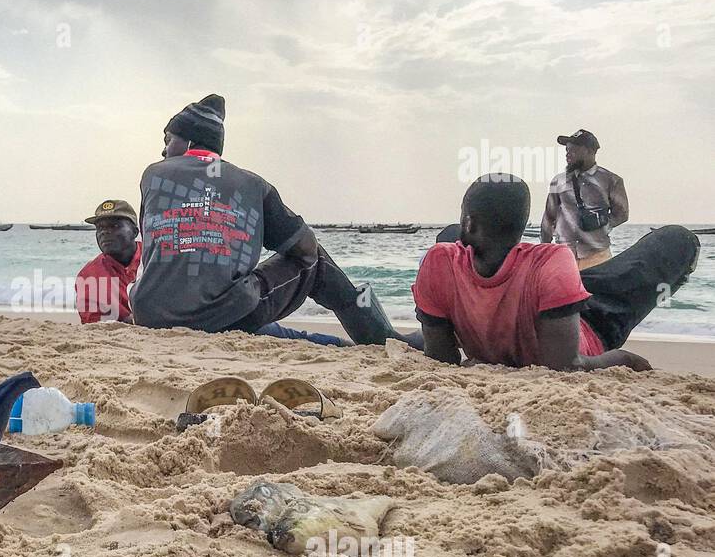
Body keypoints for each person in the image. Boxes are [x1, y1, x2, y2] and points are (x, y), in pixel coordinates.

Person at [129, 94, 417, 346]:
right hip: (220, 318)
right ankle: (381, 337)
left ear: (189, 140)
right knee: (315, 260)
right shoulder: (252, 185)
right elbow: (305, 248)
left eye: (168, 141)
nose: (164, 150)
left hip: (149, 315)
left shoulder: (151, 175)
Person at [414, 174, 699, 371]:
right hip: (595, 319)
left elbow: (441, 357)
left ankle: (520, 267)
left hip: (557, 294)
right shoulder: (554, 260)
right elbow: (566, 366)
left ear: (470, 223)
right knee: (677, 239)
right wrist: (621, 358)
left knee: (450, 236)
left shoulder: (438, 262)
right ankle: (524, 267)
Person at [540, 128, 628, 271]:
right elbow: (549, 217)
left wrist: (599, 226)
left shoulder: (611, 180)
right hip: (564, 256)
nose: (568, 154)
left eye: (573, 150)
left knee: (597, 293)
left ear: (589, 151)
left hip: (598, 255)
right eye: (567, 150)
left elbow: (622, 214)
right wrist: (543, 249)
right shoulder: (558, 181)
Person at [76, 199, 142, 323]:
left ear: (135, 232)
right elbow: (96, 324)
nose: (104, 232)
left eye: (115, 226)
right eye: (100, 227)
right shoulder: (89, 275)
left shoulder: (156, 260)